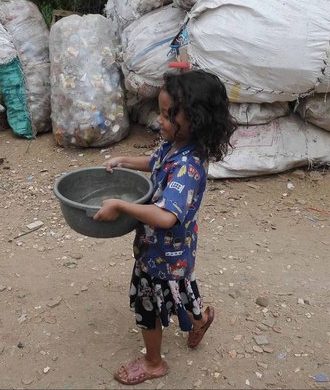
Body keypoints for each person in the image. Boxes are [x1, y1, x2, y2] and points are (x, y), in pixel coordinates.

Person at [93, 69, 237, 385]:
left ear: (195, 120)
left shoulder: (188, 166)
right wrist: (123, 160)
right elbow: (153, 161)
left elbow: (165, 217)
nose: (160, 120)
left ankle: (153, 362)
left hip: (162, 252)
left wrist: (120, 205)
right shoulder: (175, 146)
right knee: (182, 286)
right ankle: (199, 321)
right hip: (176, 251)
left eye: (168, 115)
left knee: (149, 305)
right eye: (160, 112)